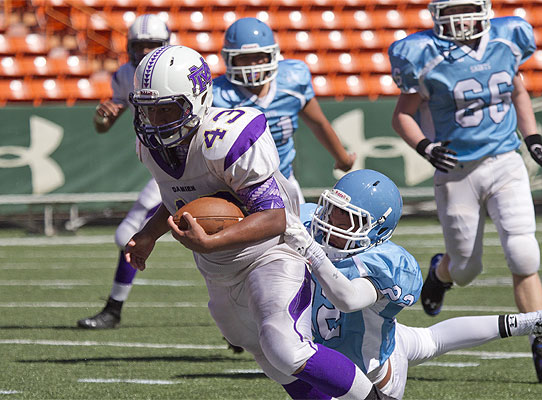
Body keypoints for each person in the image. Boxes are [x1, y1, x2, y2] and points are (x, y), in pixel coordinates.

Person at [124, 44, 390, 400]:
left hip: (271, 253)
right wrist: (148, 235)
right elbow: (178, 200)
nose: (155, 123)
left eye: (167, 110)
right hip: (218, 268)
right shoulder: (151, 149)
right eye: (148, 111)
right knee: (269, 358)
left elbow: (276, 217)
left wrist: (213, 241)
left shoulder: (226, 138)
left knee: (286, 347)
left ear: (198, 99)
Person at [387, 0, 542, 384]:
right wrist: (425, 147)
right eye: (451, 12)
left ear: (483, 9)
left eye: (466, 9)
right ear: (437, 15)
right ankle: (441, 272)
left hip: (505, 162)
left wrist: (533, 140)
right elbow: (402, 114)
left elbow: (517, 92)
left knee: (522, 250)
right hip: (456, 172)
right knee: (466, 269)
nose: (461, 19)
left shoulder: (506, 39)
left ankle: (541, 339)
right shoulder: (424, 53)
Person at [283, 169, 542, 399]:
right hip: (334, 350)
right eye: (331, 210)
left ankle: (534, 322)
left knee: (432, 341)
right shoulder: (310, 223)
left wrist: (311, 252)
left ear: (376, 230)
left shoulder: (383, 262)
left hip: (373, 372)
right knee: (430, 340)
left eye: (346, 219)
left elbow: (347, 299)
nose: (329, 222)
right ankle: (535, 320)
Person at [77, 14, 170, 329]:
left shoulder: (176, 70)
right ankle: (113, 309)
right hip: (162, 168)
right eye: (139, 46)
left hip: (187, 166)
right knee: (127, 236)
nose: (145, 52)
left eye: (151, 46)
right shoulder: (124, 75)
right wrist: (102, 117)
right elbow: (106, 123)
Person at [213, 17, 356, 204]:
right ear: (230, 58)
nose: (252, 65)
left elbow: (317, 122)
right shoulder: (217, 95)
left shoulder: (291, 80)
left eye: (258, 56)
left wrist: (342, 158)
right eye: (244, 58)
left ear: (271, 55)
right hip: (235, 188)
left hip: (284, 182)